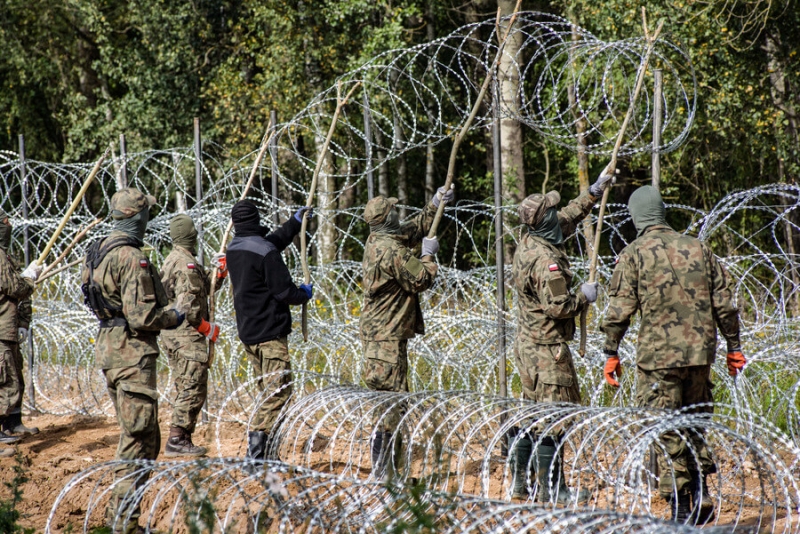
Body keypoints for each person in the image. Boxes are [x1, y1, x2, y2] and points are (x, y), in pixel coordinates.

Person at [601, 185, 743, 523]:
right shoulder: (699, 247)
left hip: (658, 359)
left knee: (663, 426)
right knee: (694, 421)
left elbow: (620, 309)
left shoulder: (634, 253)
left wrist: (611, 350)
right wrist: (734, 347)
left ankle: (680, 504)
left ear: (637, 216)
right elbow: (724, 303)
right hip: (700, 353)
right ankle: (701, 489)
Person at [81, 188, 186, 534]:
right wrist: (174, 316)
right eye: (146, 214)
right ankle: (123, 522)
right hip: (132, 352)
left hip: (110, 348)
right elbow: (142, 317)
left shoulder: (96, 251)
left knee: (146, 436)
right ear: (135, 216)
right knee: (138, 437)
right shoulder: (129, 257)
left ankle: (125, 519)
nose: (148, 220)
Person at [509, 168, 613, 504]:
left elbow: (566, 216)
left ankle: (521, 486)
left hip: (527, 344)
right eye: (551, 211)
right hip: (547, 347)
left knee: (530, 414)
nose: (558, 214)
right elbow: (558, 306)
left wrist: (594, 192)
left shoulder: (529, 241)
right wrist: (585, 295)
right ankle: (554, 491)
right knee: (553, 419)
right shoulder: (546, 260)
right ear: (544, 221)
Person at [359, 186, 453, 477]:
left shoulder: (378, 240)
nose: (398, 213)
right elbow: (421, 279)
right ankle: (386, 474)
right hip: (387, 339)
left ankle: (385, 472)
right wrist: (427, 256)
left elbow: (411, 229)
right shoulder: (392, 252)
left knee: (384, 404)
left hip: (379, 335)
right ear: (387, 219)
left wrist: (436, 204)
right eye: (393, 211)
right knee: (391, 406)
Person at [226, 201, 312, 462]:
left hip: (250, 332)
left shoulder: (234, 248)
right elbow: (284, 291)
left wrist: (293, 225)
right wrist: (303, 294)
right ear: (255, 219)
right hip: (269, 335)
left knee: (268, 393)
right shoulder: (264, 251)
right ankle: (258, 455)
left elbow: (269, 244)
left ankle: (266, 452)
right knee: (279, 394)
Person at [160, 214, 227, 457]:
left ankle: (182, 437)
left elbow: (202, 289)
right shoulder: (185, 265)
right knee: (193, 386)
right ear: (191, 235)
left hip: (175, 336)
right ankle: (177, 439)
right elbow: (188, 306)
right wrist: (206, 328)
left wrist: (218, 274)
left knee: (185, 385)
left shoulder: (175, 259)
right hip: (186, 336)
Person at [0, 210, 42, 449]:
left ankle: (12, 423)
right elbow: (16, 288)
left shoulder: (5, 256)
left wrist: (23, 324)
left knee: (15, 377)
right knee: (5, 381)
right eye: (4, 223)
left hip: (9, 327)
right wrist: (28, 279)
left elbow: (20, 297)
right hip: (2, 328)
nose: (9, 227)